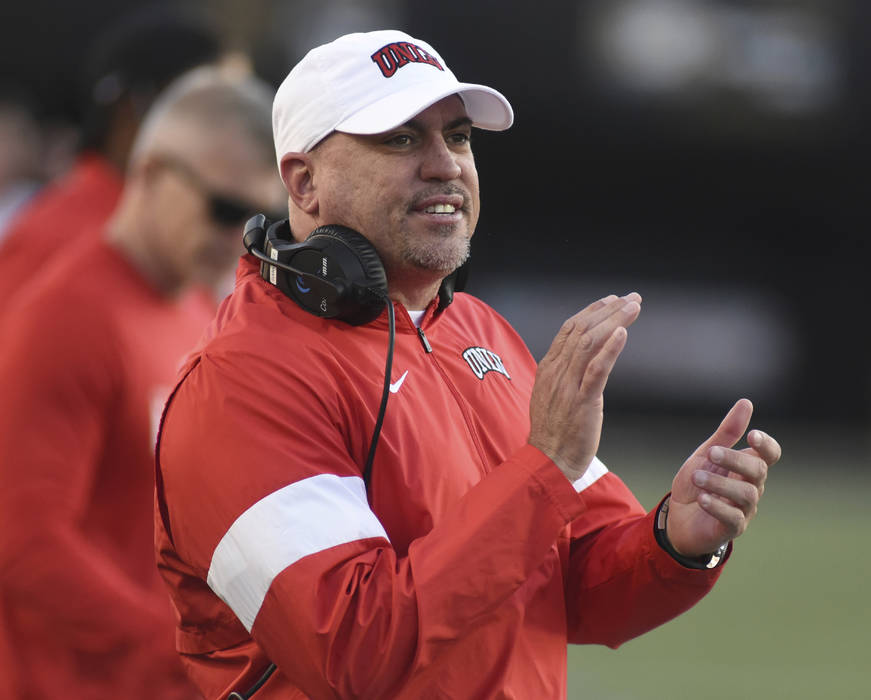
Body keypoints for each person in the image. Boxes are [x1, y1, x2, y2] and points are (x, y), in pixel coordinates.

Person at [155, 30, 782, 699]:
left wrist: (675, 541)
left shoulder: (478, 331)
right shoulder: (245, 381)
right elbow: (355, 650)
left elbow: (574, 582)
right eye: (400, 139)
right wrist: (543, 470)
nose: (445, 165)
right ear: (303, 182)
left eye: (457, 137)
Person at [0, 68, 283, 700]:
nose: (236, 237)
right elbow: (22, 542)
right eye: (223, 209)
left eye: (256, 217)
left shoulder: (196, 310)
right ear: (152, 173)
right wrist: (179, 648)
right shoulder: (66, 317)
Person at [0, 6, 225, 315]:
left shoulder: (179, 244)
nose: (224, 133)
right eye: (207, 110)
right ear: (130, 112)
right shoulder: (50, 240)